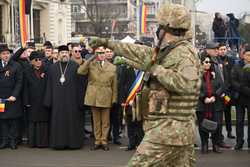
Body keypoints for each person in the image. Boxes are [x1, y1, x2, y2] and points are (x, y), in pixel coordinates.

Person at [89, 3, 200, 166]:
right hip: (174, 132)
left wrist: (155, 69)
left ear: (166, 29)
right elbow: (139, 51)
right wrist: (107, 43)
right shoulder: (169, 51)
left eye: (159, 26)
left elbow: (187, 84)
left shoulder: (183, 54)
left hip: (168, 131)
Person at [77, 47, 117, 151]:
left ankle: (104, 141)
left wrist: (114, 99)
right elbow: (80, 71)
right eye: (99, 53)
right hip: (93, 96)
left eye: (103, 53)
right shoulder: (91, 64)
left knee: (105, 122)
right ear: (96, 54)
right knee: (96, 121)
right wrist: (90, 58)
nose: (101, 55)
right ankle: (97, 141)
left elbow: (115, 85)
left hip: (106, 95)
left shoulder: (112, 67)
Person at [44, 45, 83, 149]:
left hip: (72, 100)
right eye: (62, 53)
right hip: (57, 101)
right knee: (58, 122)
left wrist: (80, 101)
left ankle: (73, 144)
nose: (64, 54)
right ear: (59, 54)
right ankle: (58, 144)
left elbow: (80, 85)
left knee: (71, 122)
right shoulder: (53, 68)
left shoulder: (75, 66)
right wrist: (48, 101)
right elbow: (49, 85)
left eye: (66, 52)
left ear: (69, 54)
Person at [196, 55, 224, 154]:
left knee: (217, 124)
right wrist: (204, 98)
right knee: (202, 125)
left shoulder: (216, 73)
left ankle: (215, 144)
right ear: (202, 63)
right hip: (202, 105)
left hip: (215, 104)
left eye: (209, 62)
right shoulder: (197, 74)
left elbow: (221, 86)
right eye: (206, 62)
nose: (208, 64)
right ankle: (204, 144)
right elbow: (195, 88)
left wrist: (214, 96)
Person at [23, 51, 49, 148]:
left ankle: (42, 143)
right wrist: (26, 101)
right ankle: (32, 143)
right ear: (32, 61)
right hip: (32, 101)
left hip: (43, 100)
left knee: (42, 121)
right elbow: (25, 88)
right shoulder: (26, 71)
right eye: (36, 60)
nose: (39, 62)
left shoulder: (46, 70)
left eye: (40, 59)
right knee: (32, 121)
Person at [0, 44, 23, 149]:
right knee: (3, 119)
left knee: (13, 120)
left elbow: (19, 82)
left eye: (7, 53)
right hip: (1, 99)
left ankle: (13, 141)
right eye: (3, 54)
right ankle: (5, 140)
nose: (6, 55)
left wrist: (14, 95)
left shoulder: (16, 65)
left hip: (13, 98)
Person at [232, 45, 250, 150]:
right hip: (239, 98)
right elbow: (233, 81)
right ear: (243, 56)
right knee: (239, 121)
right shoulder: (237, 66)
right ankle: (239, 141)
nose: (249, 57)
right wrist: (243, 89)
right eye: (247, 55)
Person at [217, 43, 236, 139]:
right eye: (221, 49)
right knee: (218, 113)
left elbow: (232, 76)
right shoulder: (215, 60)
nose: (223, 51)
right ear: (218, 50)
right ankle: (218, 134)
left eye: (224, 49)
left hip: (228, 92)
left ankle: (229, 131)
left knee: (227, 112)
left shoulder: (231, 60)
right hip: (218, 92)